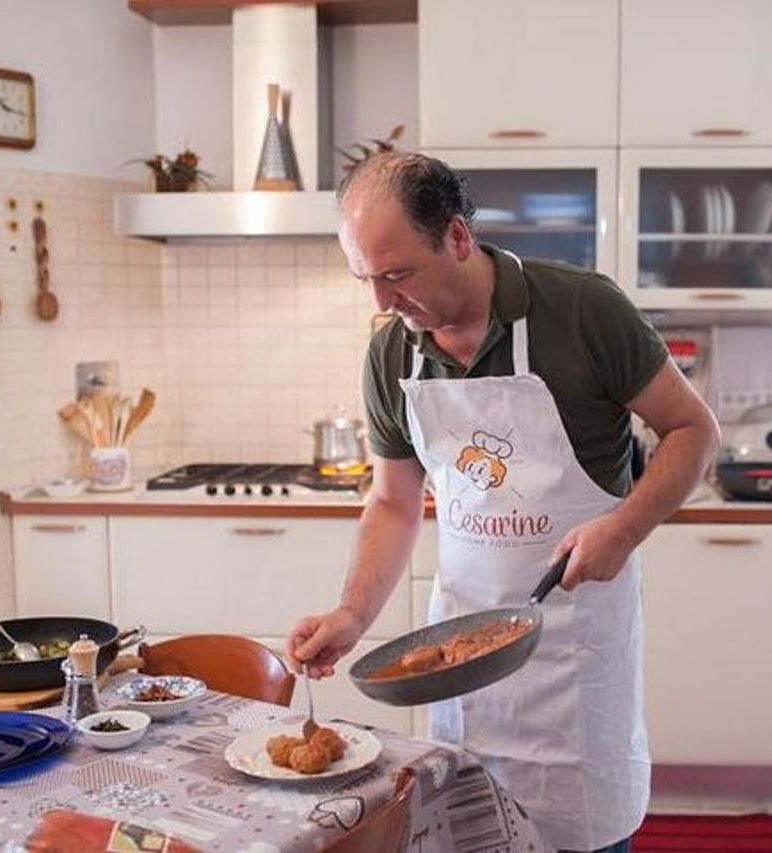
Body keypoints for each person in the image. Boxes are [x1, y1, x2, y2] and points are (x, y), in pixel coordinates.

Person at [285, 152, 718, 853]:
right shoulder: (392, 354)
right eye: (365, 279)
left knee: (585, 836)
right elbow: (394, 502)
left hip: (573, 658)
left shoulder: (583, 310)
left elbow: (694, 429)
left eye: (396, 275)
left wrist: (624, 526)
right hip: (459, 660)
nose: (382, 303)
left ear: (457, 238)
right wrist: (353, 613)